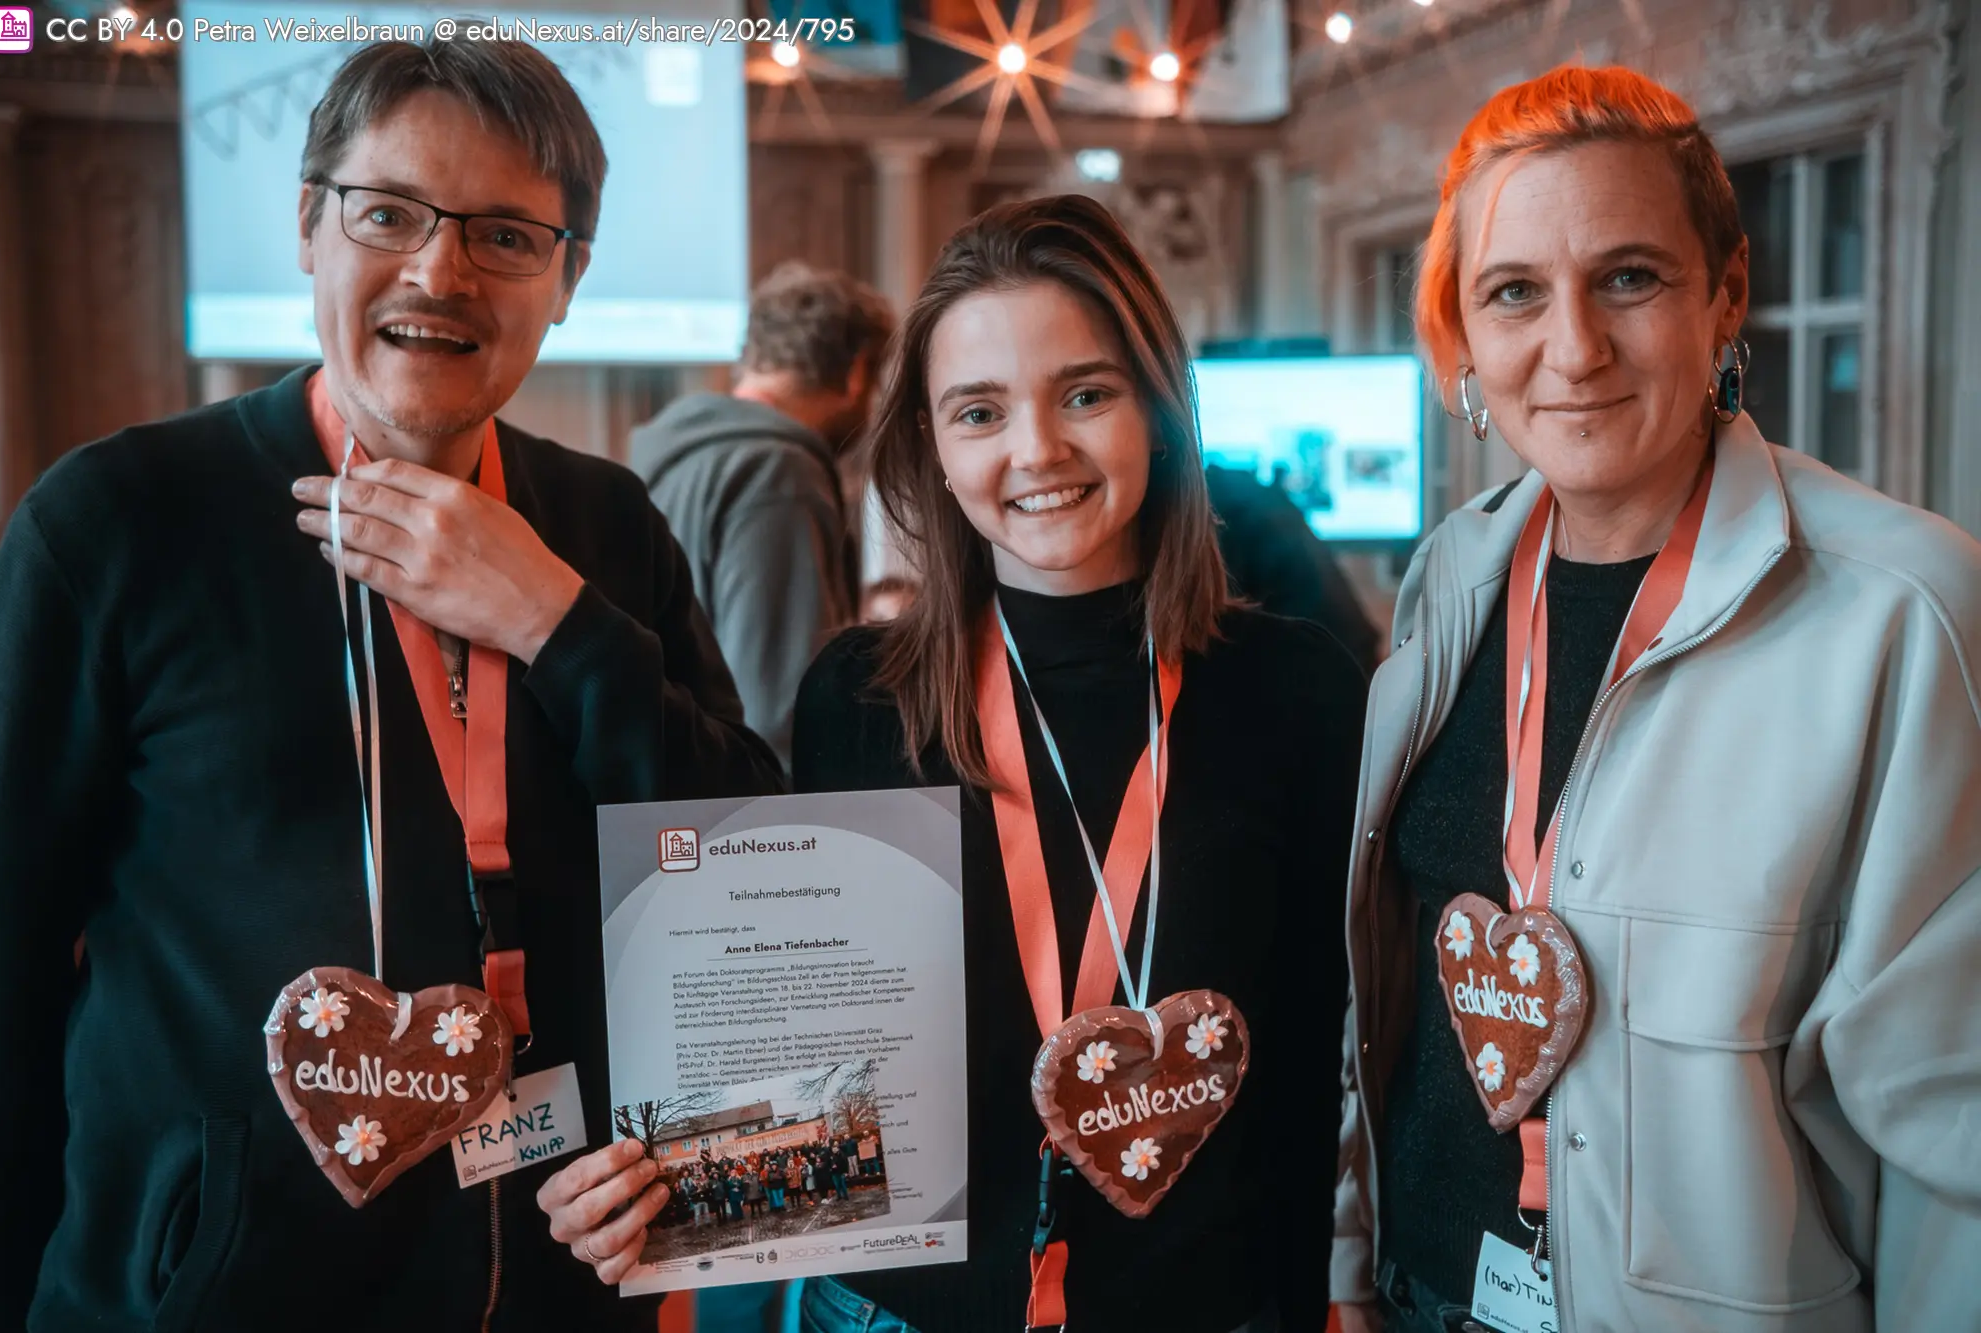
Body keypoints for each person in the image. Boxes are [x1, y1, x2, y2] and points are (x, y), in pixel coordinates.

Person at [0, 37, 783, 1332]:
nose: (440, 270)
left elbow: (737, 862)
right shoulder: (117, 526)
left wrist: (556, 621)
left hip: (561, 1290)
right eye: (390, 212)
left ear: (570, 276)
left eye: (508, 236)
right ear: (309, 223)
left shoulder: (605, 527)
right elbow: (2, 967)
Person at [1330, 65, 1981, 1333]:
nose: (1571, 350)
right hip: (1421, 1289)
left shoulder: (1902, 613)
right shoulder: (1450, 577)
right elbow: (1391, 991)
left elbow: (1949, 1142)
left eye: (1627, 277)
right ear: (1461, 338)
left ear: (1722, 293)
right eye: (1514, 293)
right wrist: (1347, 1266)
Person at [793, 194, 1367, 1333]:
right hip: (900, 1310)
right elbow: (816, 1051)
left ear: (1156, 410)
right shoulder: (859, 698)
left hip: (1202, 1304)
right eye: (979, 412)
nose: (1036, 450)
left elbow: (1317, 1055)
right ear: (933, 451)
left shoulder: (1295, 687)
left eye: (1084, 393)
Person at [631, 261, 895, 777]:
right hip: (756, 823)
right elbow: (781, 706)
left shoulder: (677, 455)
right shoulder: (779, 473)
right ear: (859, 370)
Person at [1203, 462, 1383, 674]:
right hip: (1352, 656)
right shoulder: (1248, 493)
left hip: (1325, 671)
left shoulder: (1221, 510)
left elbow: (1216, 629)